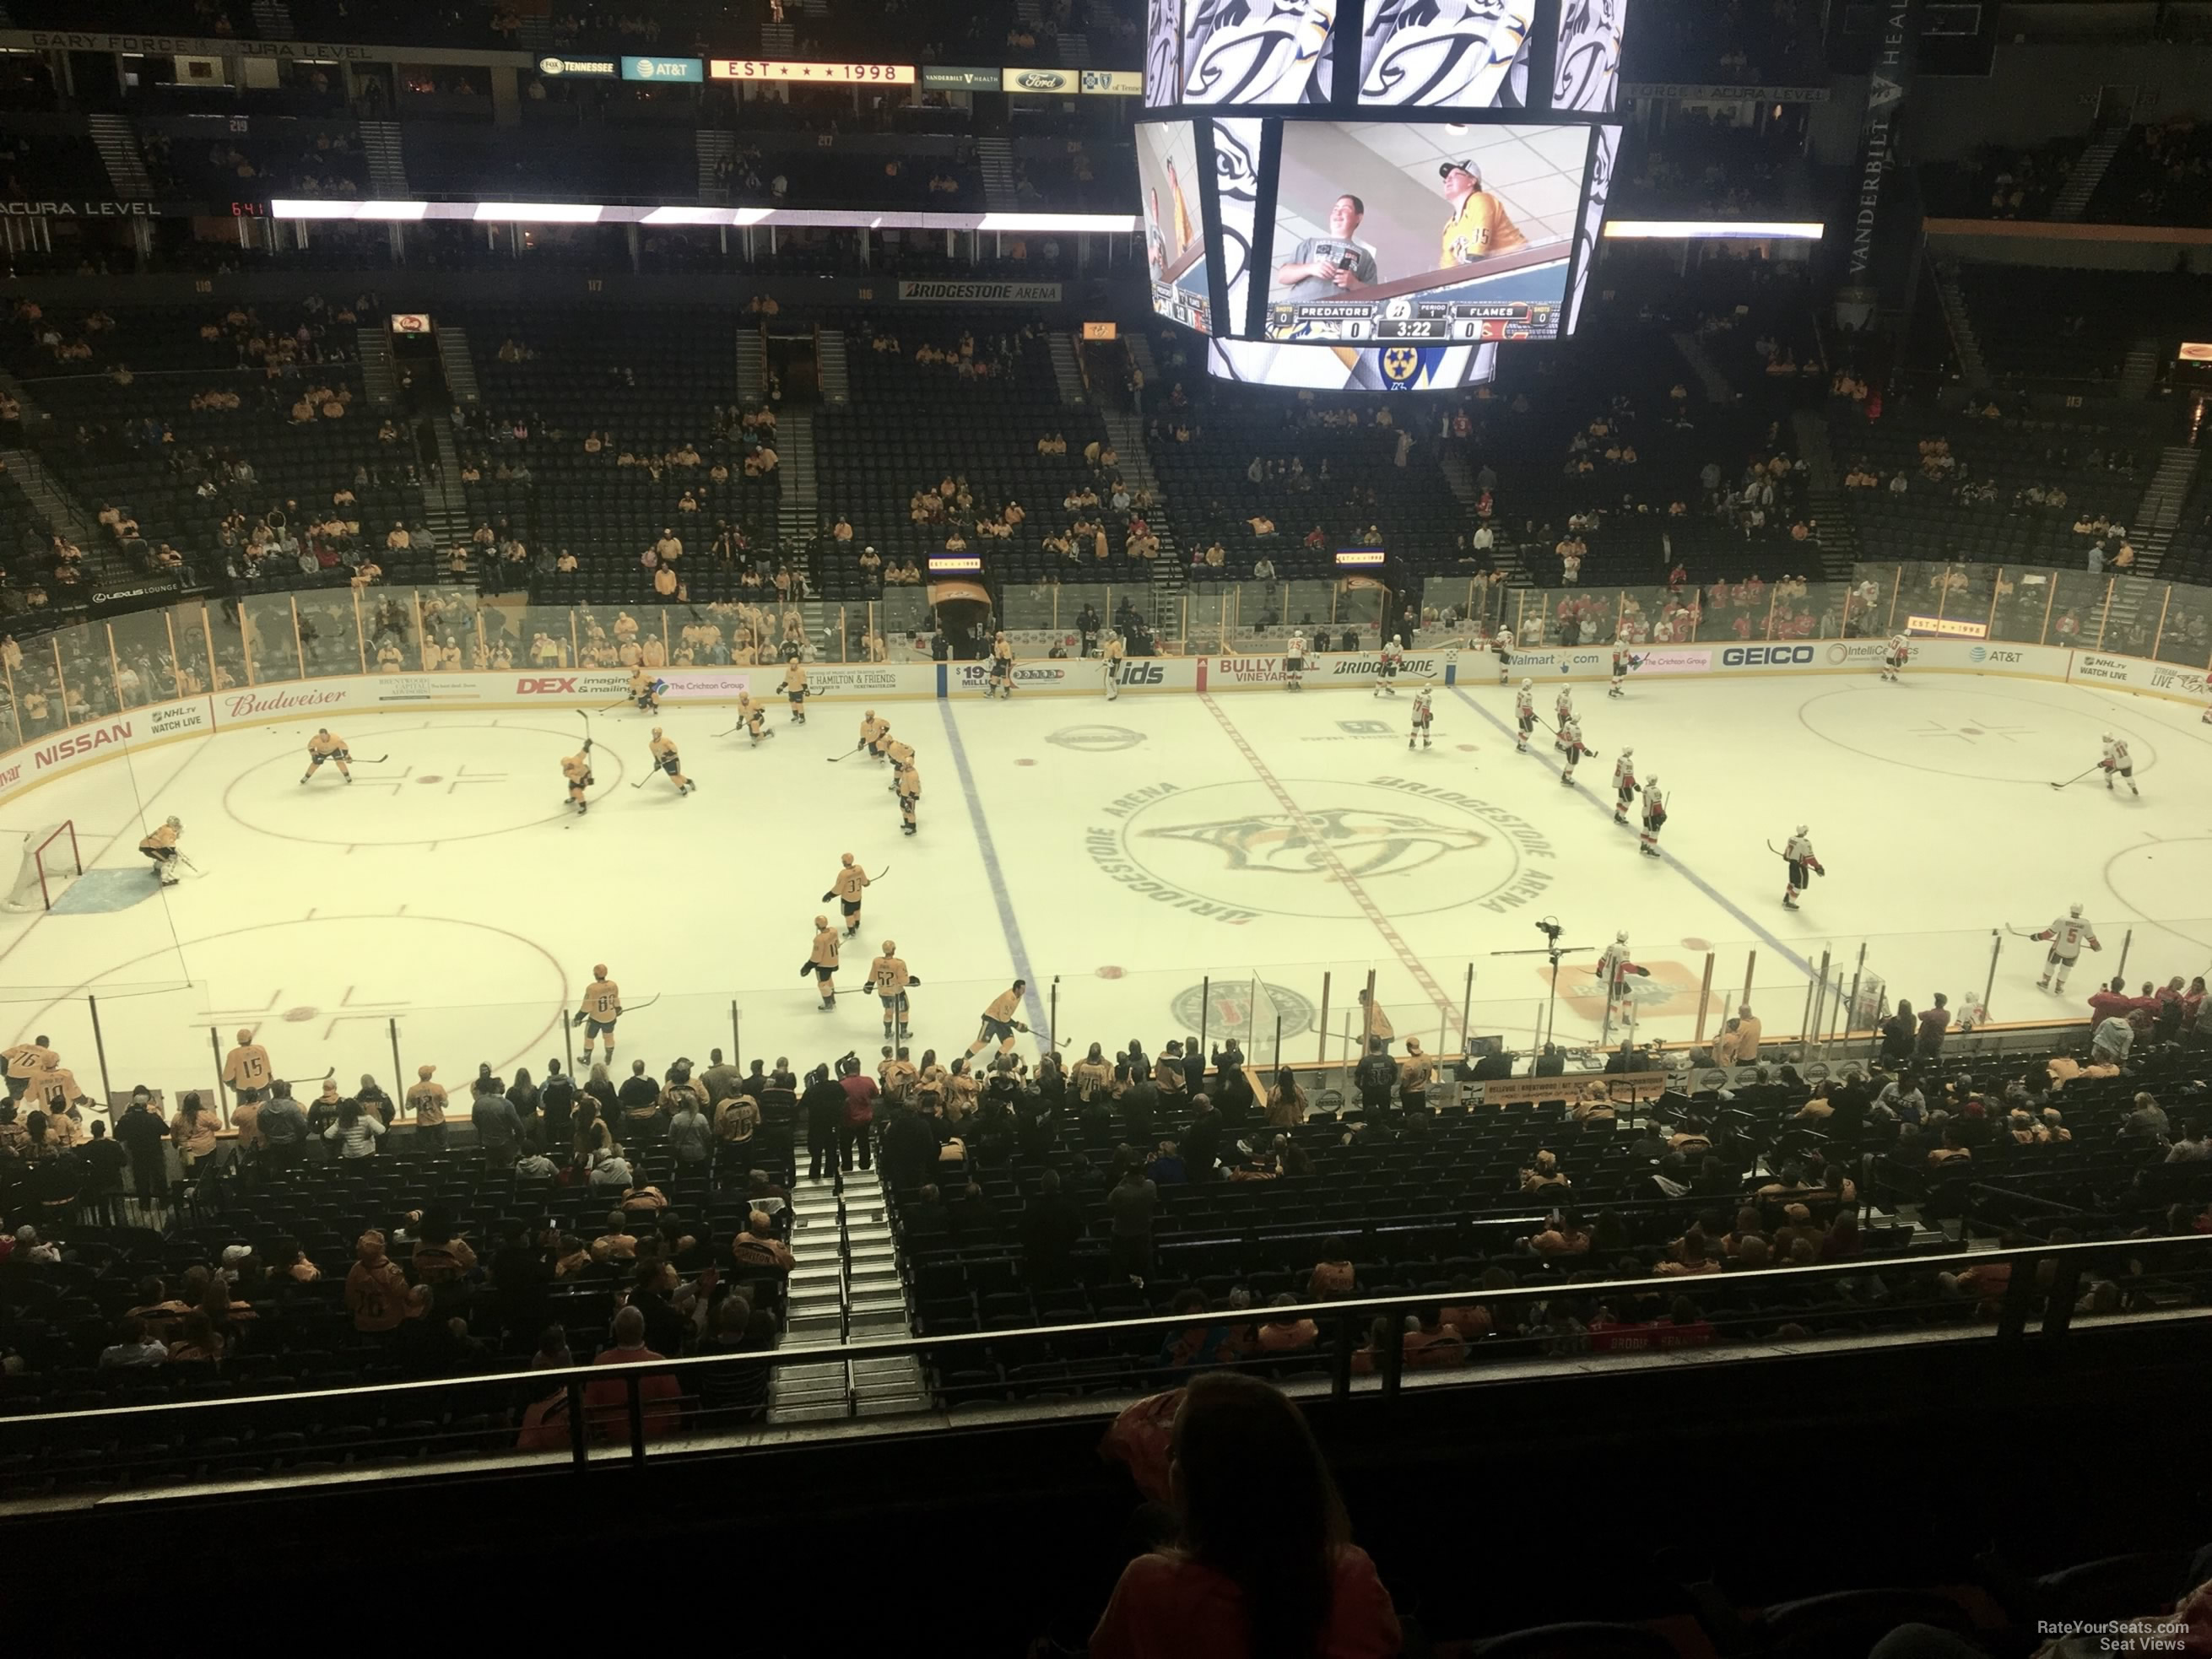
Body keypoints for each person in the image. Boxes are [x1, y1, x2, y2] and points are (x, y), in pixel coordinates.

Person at [1088, 1373, 1402, 1659]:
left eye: (1176, 1452)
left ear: (1200, 1485)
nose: (1169, 1458)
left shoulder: (1146, 1586)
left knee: (1149, 1519)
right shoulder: (1352, 1575)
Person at [1437, 158, 1526, 267]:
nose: (1448, 179)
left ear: (1472, 180)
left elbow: (1477, 251)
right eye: (1446, 178)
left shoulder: (1480, 200)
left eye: (1455, 175)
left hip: (1521, 264)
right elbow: (1447, 269)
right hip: (1498, 271)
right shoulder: (1449, 228)